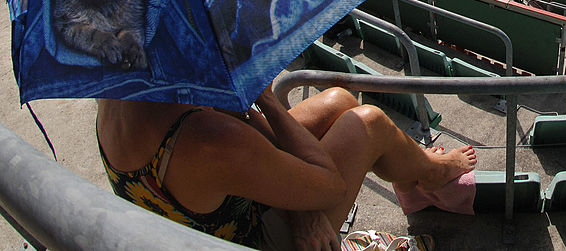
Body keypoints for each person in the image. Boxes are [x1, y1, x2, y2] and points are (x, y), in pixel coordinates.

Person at [96, 85, 476, 249]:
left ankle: (417, 176)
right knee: (368, 123)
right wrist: (268, 99)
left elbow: (246, 134)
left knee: (337, 102)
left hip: (213, 209)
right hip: (252, 240)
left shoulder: (119, 94)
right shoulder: (205, 139)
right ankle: (427, 173)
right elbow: (329, 188)